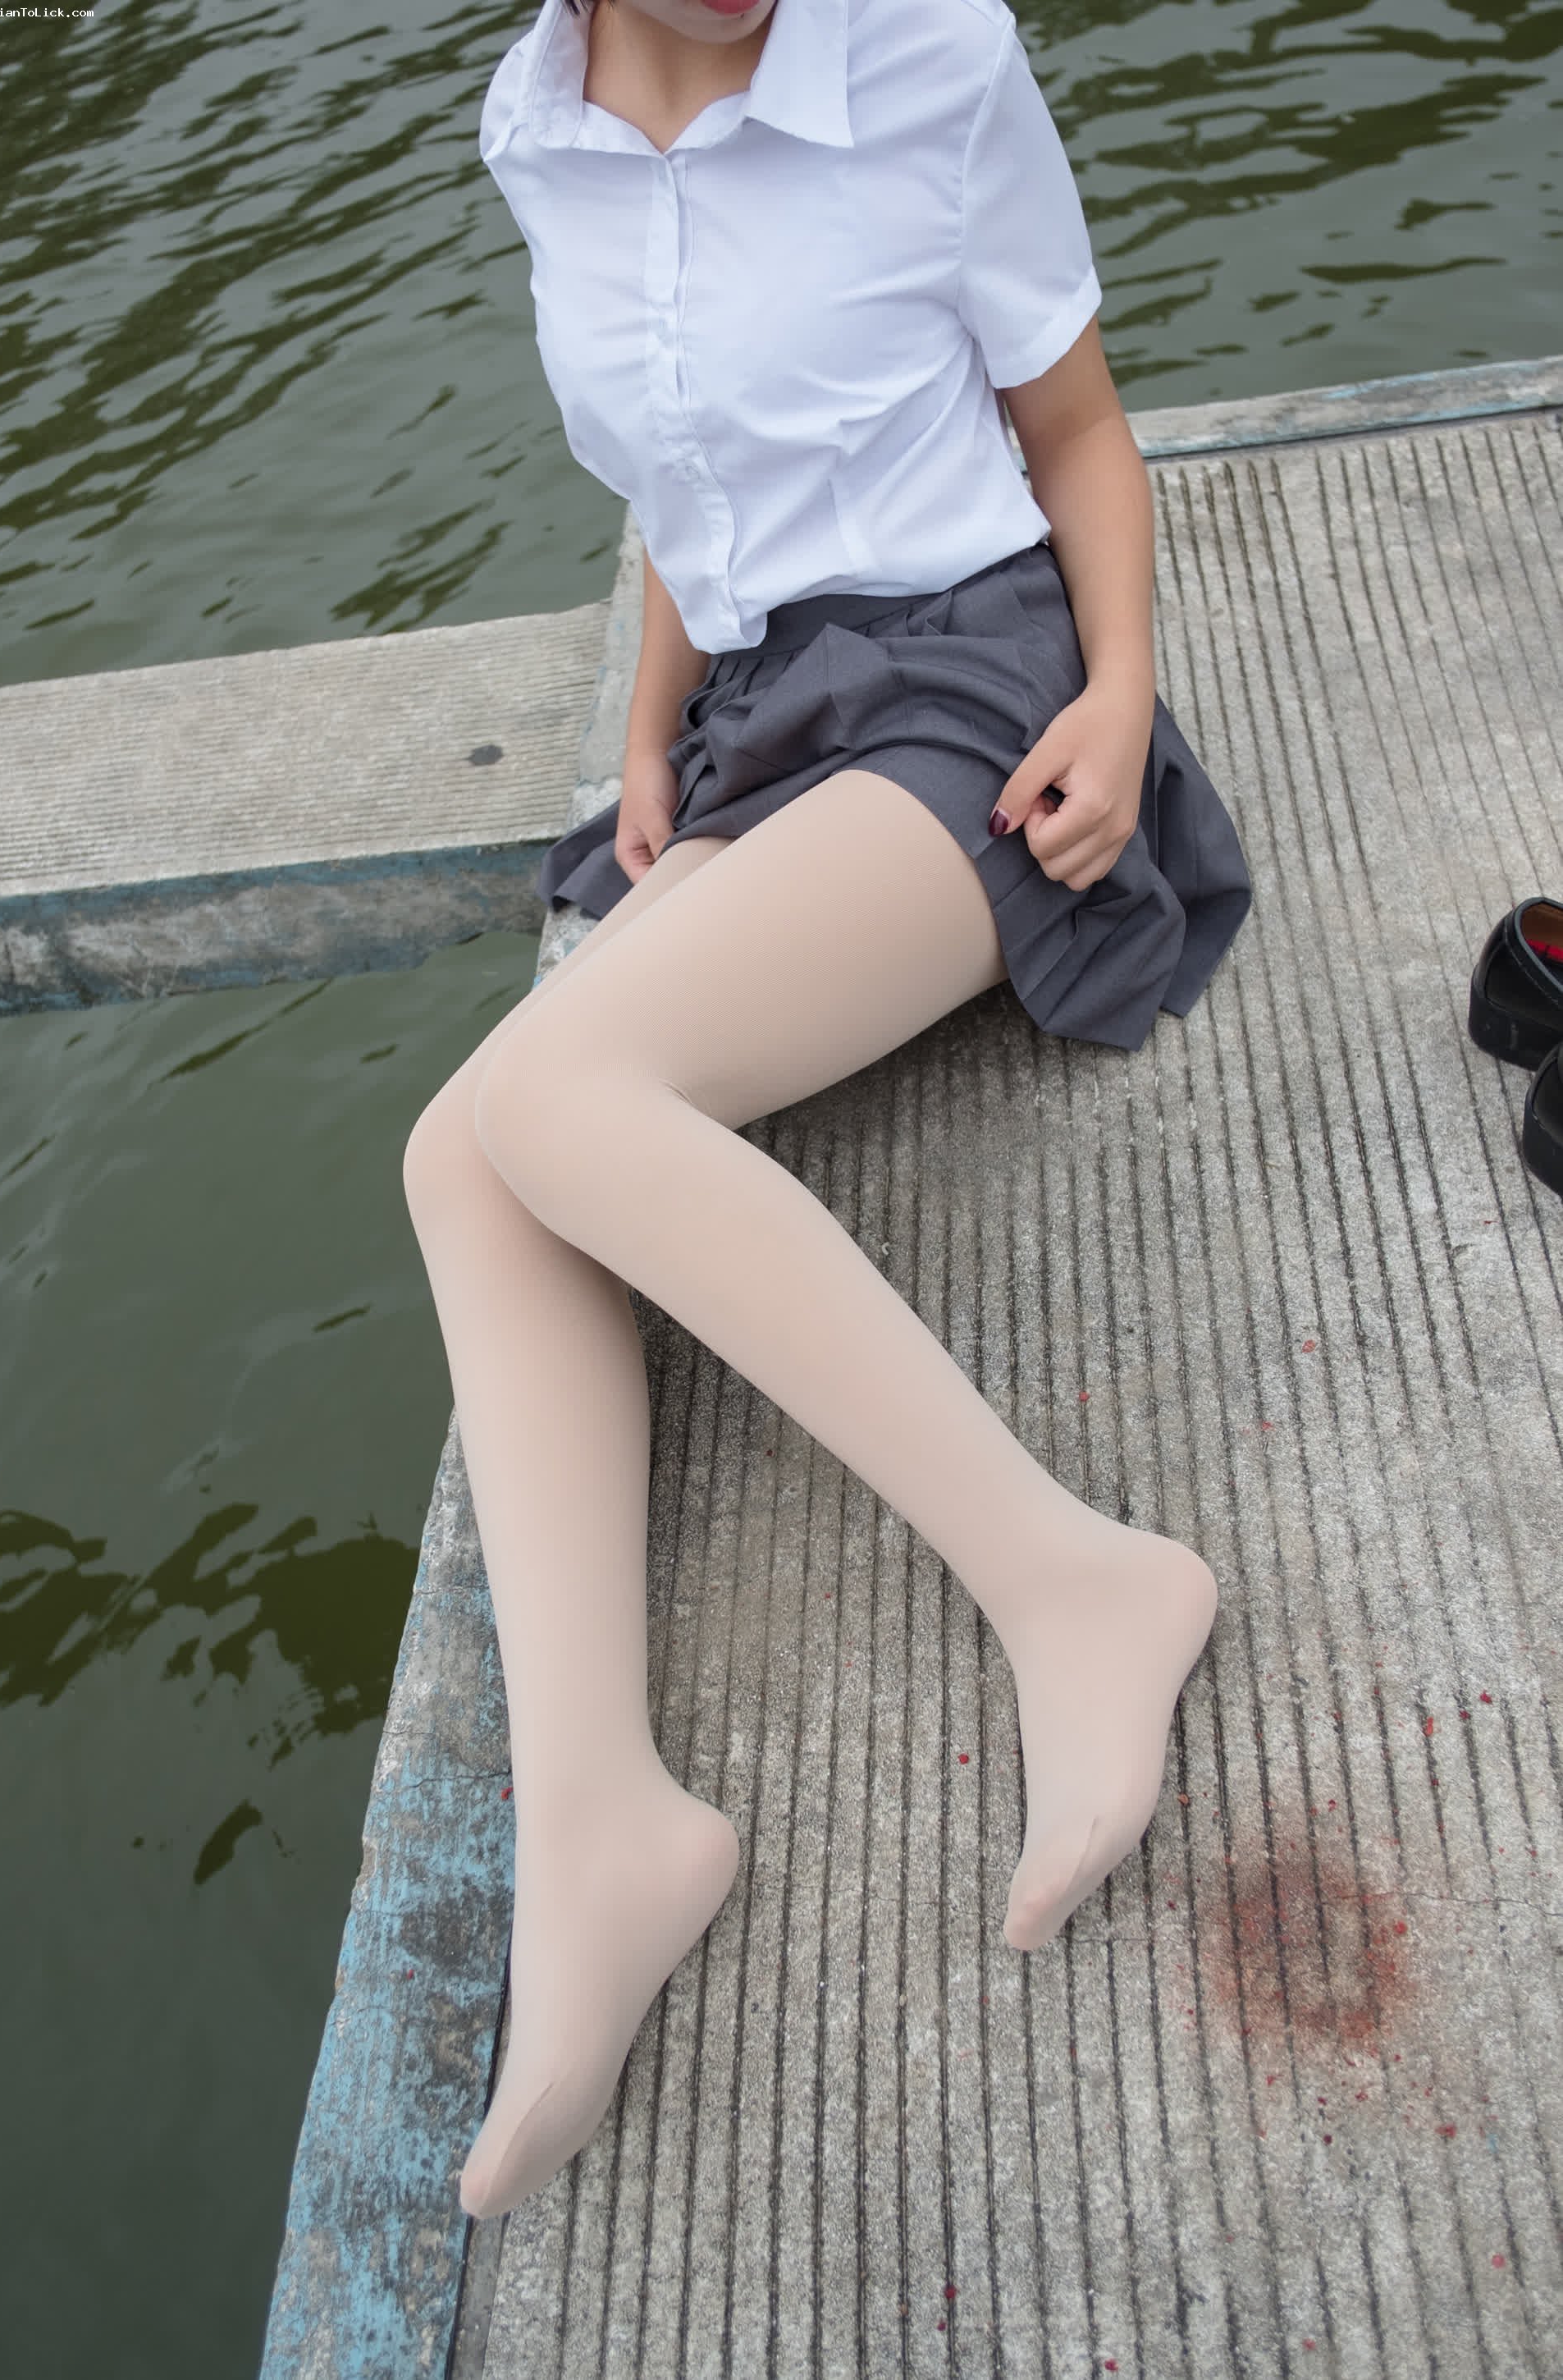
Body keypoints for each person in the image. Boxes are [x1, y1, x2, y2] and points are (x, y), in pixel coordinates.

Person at [404, 0, 1253, 2223]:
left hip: (981, 687)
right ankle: (603, 1823)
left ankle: (1079, 1583)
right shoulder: (540, 131)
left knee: (565, 1088)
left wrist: (1123, 691)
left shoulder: (928, 54)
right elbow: (687, 488)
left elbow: (1075, 426)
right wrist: (655, 728)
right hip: (772, 713)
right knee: (458, 1156)